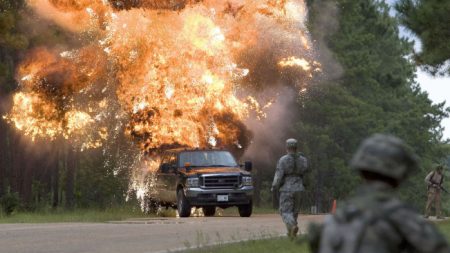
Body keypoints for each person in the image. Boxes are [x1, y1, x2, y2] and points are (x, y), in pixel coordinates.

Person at [308, 134, 450, 253]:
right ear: (399, 176)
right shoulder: (403, 218)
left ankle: (437, 213)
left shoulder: (334, 220)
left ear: (361, 170)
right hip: (431, 190)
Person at [271, 138, 308, 238]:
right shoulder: (303, 160)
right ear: (296, 147)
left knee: (286, 212)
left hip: (287, 189)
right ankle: (291, 235)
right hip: (299, 188)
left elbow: (278, 176)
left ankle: (292, 227)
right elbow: (306, 176)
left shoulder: (283, 160)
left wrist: (274, 186)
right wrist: (305, 186)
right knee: (294, 213)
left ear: (287, 147)